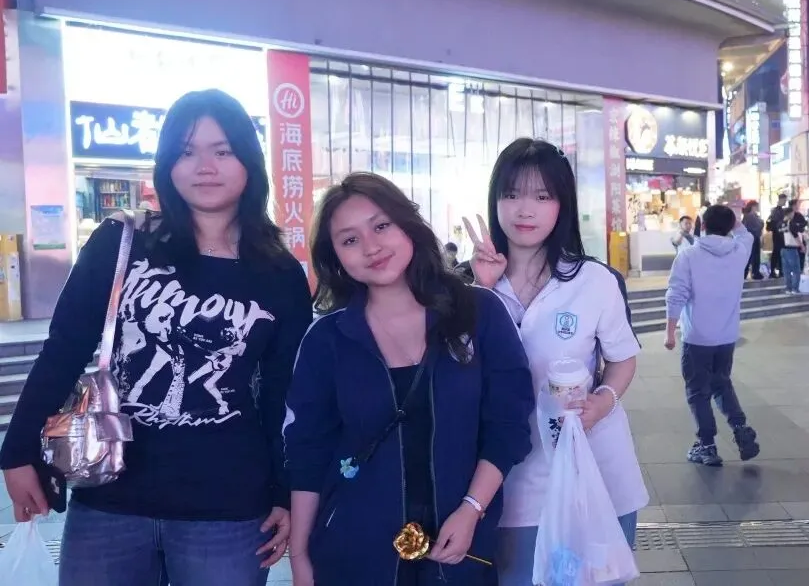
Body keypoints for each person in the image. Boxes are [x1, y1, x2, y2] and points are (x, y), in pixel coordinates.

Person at [0, 89, 313, 585]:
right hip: (110, 496)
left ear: (249, 163)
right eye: (186, 152)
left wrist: (284, 490)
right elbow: (64, 349)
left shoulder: (279, 273)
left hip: (228, 510)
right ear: (168, 165)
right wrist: (17, 451)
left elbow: (284, 394)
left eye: (222, 150)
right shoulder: (121, 242)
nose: (204, 167)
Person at [283, 172, 534, 586]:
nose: (371, 247)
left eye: (381, 226)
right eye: (350, 239)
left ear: (407, 225)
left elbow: (508, 425)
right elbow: (307, 453)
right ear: (335, 257)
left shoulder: (477, 312)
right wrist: (299, 557)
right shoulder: (326, 339)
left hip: (458, 552)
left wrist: (472, 508)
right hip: (353, 554)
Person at [462, 138, 647, 586]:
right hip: (511, 480)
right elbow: (461, 372)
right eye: (511, 194)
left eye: (542, 196)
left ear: (562, 204)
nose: (525, 210)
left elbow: (622, 359)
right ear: (495, 201)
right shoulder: (467, 290)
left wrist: (603, 401)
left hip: (596, 474)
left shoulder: (594, 280)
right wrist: (482, 290)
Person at [664, 205, 759, 466]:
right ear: (729, 226)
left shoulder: (688, 255)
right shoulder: (740, 251)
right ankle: (740, 428)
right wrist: (732, 219)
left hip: (697, 337)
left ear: (702, 226)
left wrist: (670, 333)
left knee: (698, 391)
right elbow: (745, 233)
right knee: (721, 383)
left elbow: (676, 294)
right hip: (727, 336)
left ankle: (706, 446)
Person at [780, 208, 804, 295]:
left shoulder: (780, 224)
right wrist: (802, 246)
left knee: (786, 270)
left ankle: (788, 288)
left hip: (782, 249)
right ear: (790, 213)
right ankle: (795, 289)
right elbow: (795, 235)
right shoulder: (791, 223)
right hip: (791, 249)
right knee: (796, 270)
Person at [766, 193, 788, 278]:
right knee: (777, 253)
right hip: (778, 234)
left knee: (778, 253)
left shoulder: (779, 210)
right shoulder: (776, 211)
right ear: (781, 200)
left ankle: (779, 271)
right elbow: (776, 223)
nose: (785, 202)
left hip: (780, 234)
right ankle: (774, 271)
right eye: (784, 200)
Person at [741, 201, 764, 280]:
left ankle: (752, 272)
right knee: (753, 256)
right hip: (753, 238)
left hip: (753, 238)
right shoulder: (750, 216)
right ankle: (753, 272)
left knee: (753, 256)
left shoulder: (750, 216)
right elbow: (758, 226)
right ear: (753, 207)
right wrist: (761, 223)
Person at [787, 199, 807, 273]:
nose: (798, 206)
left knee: (801, 254)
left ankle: (800, 270)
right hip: (791, 240)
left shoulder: (799, 215)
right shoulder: (787, 216)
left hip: (800, 237)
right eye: (796, 205)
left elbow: (804, 223)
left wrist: (798, 226)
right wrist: (797, 226)